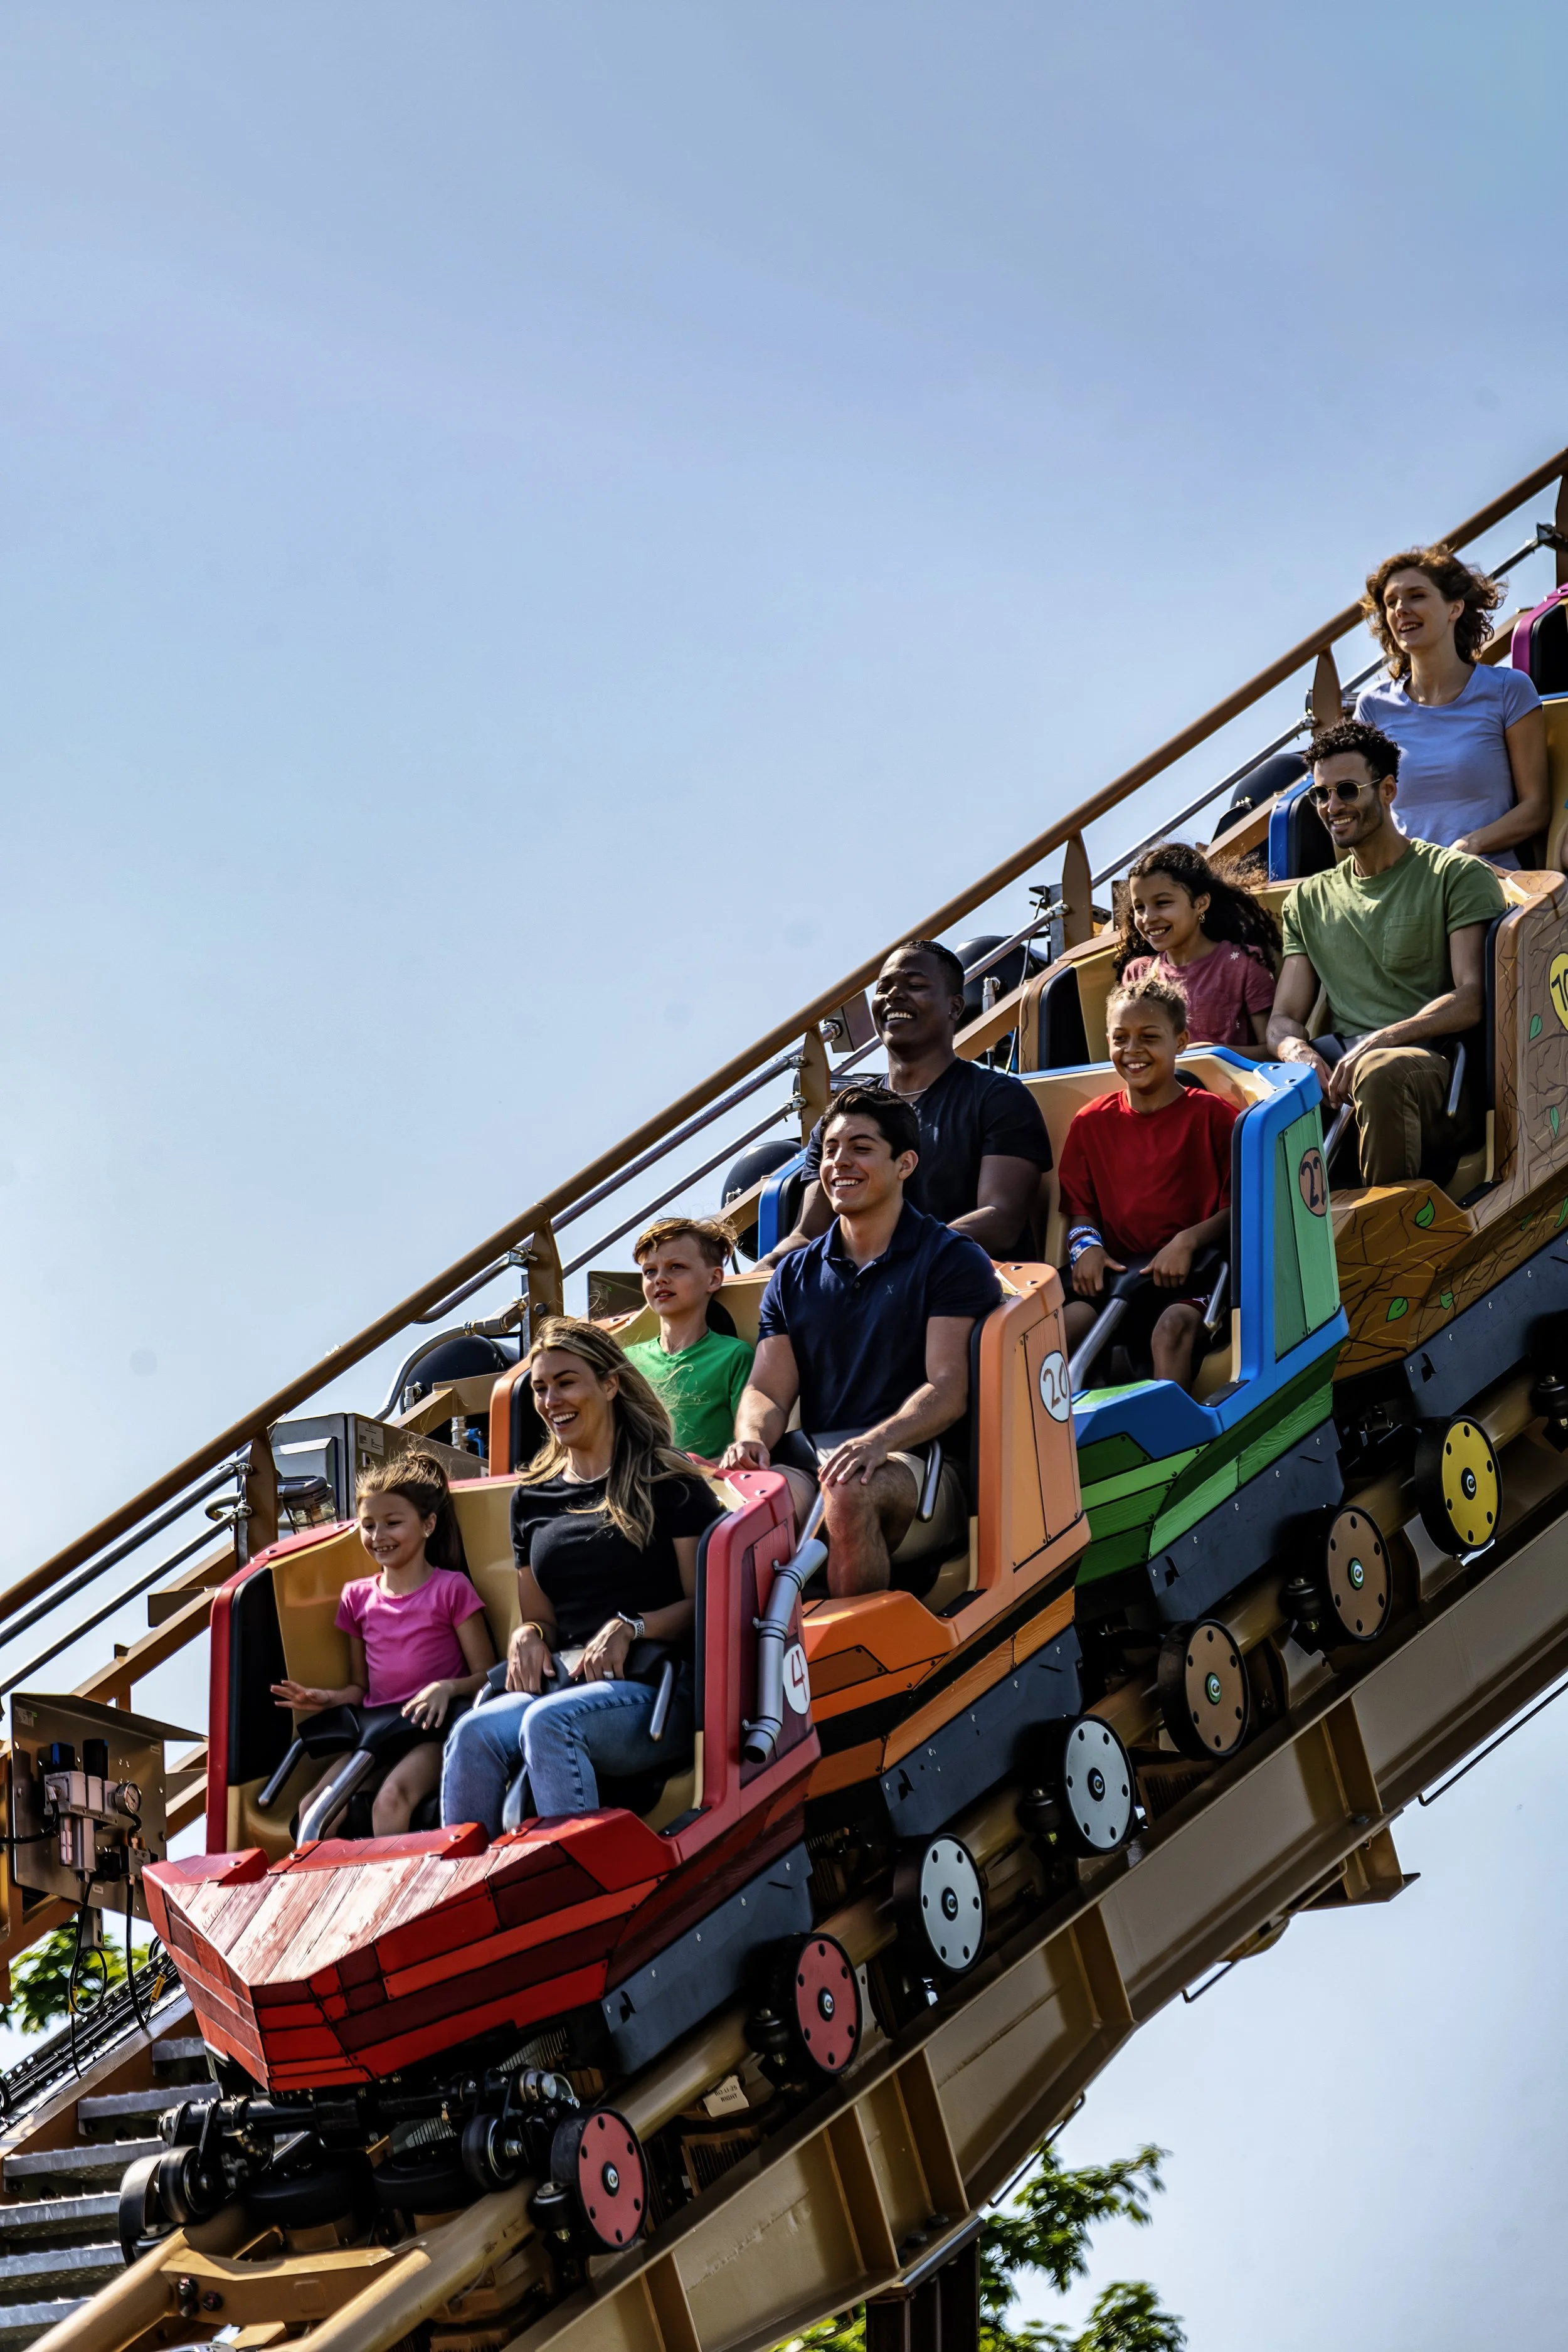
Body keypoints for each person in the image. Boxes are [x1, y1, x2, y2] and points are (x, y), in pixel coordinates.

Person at [440, 1319, 718, 1834]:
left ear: (610, 1385)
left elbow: (705, 1608)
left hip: (655, 1688)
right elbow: (541, 1619)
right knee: (472, 1733)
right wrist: (527, 1635)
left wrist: (632, 1626)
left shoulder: (668, 1480)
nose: (550, 1400)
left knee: (550, 1724)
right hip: (564, 1681)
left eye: (566, 1382)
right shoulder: (530, 1499)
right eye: (541, 1388)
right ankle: (461, 1890)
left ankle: (583, 1888)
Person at [722, 1086, 1001, 1596]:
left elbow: (948, 1387)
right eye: (830, 1150)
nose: (839, 1163)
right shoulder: (792, 1276)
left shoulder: (950, 1258)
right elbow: (768, 1390)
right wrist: (752, 1440)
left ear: (905, 1164)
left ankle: (855, 1660)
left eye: (861, 1148)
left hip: (923, 1467)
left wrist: (878, 1442)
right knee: (744, 1504)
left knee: (849, 1488)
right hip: (820, 1458)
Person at [1267, 719, 1507, 1184]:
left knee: (1378, 1073)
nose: (1332, 806)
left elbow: (1471, 996)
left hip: (1437, 1074)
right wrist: (1297, 1051)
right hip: (1346, 1074)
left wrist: (1383, 1040)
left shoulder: (1454, 875)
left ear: (1389, 789)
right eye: (1321, 795)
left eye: (1348, 791)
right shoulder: (1307, 900)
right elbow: (1283, 1018)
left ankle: (1385, 1244)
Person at [760, 939, 1052, 1268]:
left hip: (974, 1292)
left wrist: (900, 1260)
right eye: (884, 988)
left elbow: (1001, 1222)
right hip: (863, 1298)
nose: (894, 996)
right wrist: (768, 1267)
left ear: (954, 1008)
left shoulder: (998, 1097)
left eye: (915, 985)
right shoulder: (842, 1117)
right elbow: (809, 1233)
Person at [271, 1453, 496, 1836]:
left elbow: (488, 1676)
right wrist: (324, 1698)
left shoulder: (451, 1589)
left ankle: (402, 1892)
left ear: (428, 1525)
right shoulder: (356, 1598)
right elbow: (361, 1690)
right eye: (369, 1525)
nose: (378, 1537)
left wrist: (447, 1687)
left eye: (393, 1524)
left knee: (390, 1801)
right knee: (314, 1808)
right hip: (378, 1732)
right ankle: (324, 1894)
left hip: (431, 1730)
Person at [1059, 977, 1236, 1391]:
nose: (1133, 1050)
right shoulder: (1090, 1123)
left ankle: (1171, 1444)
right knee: (1062, 1328)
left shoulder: (1214, 1116)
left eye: (1149, 1037)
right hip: (1121, 1275)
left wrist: (1188, 1242)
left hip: (1197, 1272)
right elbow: (1080, 1210)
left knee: (1170, 1329)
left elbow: (1239, 1207)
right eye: (1121, 1038)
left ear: (1181, 1042)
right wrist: (1087, 1247)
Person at [1354, 546, 1547, 869]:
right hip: (1404, 882)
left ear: (1454, 608)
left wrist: (1471, 844)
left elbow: (1536, 808)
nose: (1401, 609)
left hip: (1487, 876)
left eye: (1416, 596)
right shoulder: (1373, 706)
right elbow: (1367, 812)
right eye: (1391, 603)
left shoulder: (1508, 690)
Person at [1116, 842, 1280, 1049]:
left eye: (1163, 903)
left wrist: (1213, 1054)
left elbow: (1273, 1051)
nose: (1148, 918)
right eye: (1139, 907)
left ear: (1201, 904)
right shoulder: (1137, 974)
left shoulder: (1244, 965)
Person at [623, 1216, 753, 1457]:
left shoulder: (734, 1356)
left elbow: (746, 1444)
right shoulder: (626, 1360)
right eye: (649, 1271)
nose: (660, 1278)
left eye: (676, 1267)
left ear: (713, 1279)